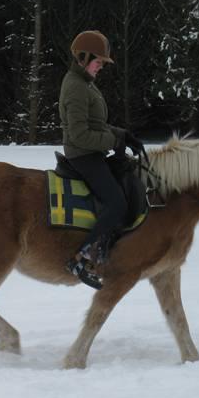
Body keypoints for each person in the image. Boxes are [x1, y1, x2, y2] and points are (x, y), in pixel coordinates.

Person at [59, 30, 145, 290]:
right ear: (83, 57)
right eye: (98, 61)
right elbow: (80, 134)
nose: (101, 66)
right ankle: (81, 257)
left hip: (93, 151)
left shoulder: (85, 82)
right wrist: (113, 142)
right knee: (116, 203)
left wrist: (122, 135)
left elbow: (96, 123)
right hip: (82, 155)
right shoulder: (75, 86)